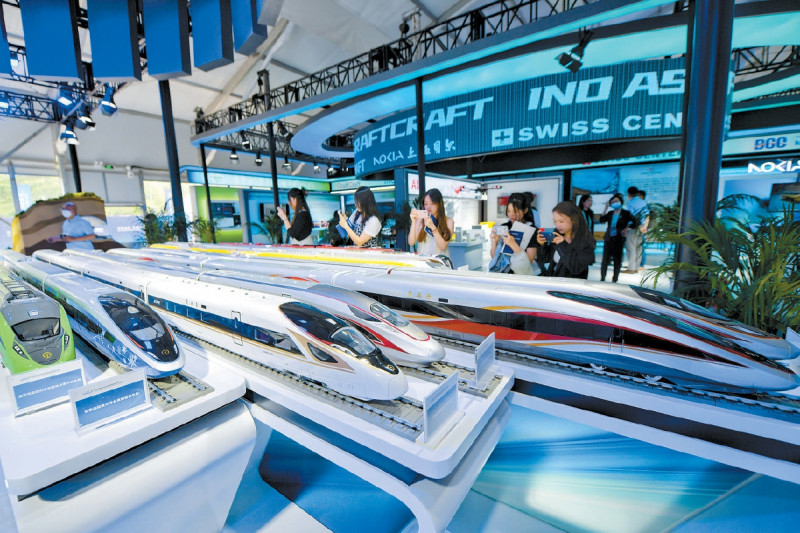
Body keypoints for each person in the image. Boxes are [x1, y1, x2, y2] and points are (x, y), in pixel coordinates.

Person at [537, 200, 595, 279]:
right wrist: (542, 245)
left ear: (574, 219)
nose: (557, 225)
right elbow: (545, 259)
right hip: (554, 281)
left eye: (561, 221)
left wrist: (562, 244)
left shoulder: (586, 240)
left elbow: (576, 268)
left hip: (572, 284)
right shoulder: (557, 234)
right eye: (555, 221)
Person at [488, 192, 538, 275]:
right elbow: (495, 258)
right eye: (508, 211)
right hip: (502, 274)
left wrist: (513, 244)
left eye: (515, 211)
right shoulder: (504, 227)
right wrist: (494, 241)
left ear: (525, 210)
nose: (511, 214)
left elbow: (528, 261)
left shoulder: (531, 230)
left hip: (520, 275)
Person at [598, 193, 637, 283]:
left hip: (619, 239)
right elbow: (601, 220)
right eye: (613, 202)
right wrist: (605, 208)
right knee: (605, 260)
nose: (615, 203)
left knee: (617, 260)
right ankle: (602, 278)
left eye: (616, 201)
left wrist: (627, 229)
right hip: (608, 239)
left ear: (621, 202)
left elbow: (635, 223)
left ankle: (615, 279)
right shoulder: (610, 213)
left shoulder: (626, 213)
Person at [408, 188, 454, 257]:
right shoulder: (420, 220)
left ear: (439, 204)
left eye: (432, 203)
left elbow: (443, 246)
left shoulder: (448, 221)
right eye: (426, 204)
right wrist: (414, 222)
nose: (428, 207)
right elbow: (411, 242)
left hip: (440, 262)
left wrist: (432, 227)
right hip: (423, 261)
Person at [624, 186, 650, 273]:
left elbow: (629, 217)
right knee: (638, 248)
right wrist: (645, 226)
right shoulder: (643, 202)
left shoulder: (630, 203)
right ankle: (636, 267)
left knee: (631, 247)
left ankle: (631, 268)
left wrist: (627, 228)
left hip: (633, 227)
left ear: (628, 194)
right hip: (641, 227)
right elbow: (647, 215)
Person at [578, 194, 595, 265]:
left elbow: (591, 225)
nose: (591, 202)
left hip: (589, 236)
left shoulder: (591, 212)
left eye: (591, 201)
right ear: (583, 202)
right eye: (589, 200)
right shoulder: (578, 212)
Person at [637, 189, 649, 270]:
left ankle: (641, 264)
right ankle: (636, 264)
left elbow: (647, 216)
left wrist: (645, 227)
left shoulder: (644, 205)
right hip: (637, 227)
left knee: (641, 246)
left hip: (641, 227)